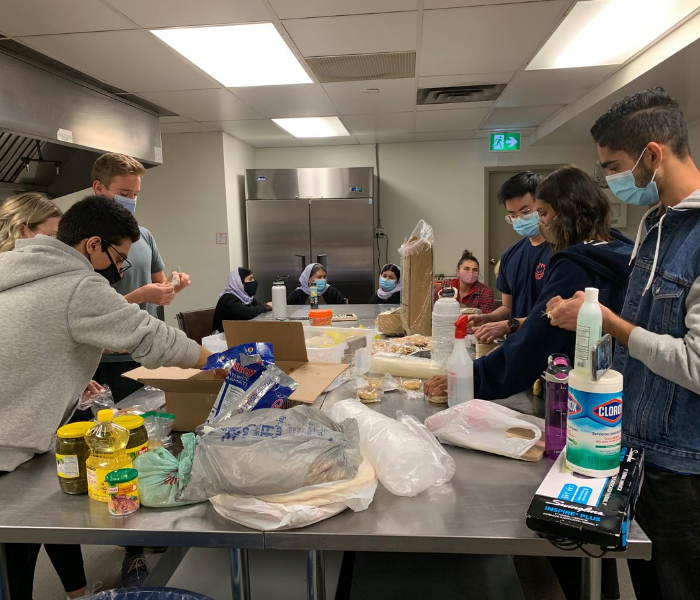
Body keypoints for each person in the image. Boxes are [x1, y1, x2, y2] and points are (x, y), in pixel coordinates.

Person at [0, 195, 212, 600]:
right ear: (92, 245)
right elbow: (156, 339)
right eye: (120, 257)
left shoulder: (15, 269)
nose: (121, 268)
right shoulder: (77, 283)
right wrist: (220, 362)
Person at [546, 88, 700, 600]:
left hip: (682, 468)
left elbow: (695, 364)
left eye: (614, 166)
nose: (612, 182)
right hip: (633, 445)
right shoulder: (654, 226)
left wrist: (611, 324)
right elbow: (642, 329)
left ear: (652, 155)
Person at [424, 166, 633, 402]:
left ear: (567, 211)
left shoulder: (575, 263)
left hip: (578, 394)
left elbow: (536, 339)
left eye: (542, 213)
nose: (542, 222)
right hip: (616, 390)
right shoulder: (622, 250)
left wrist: (472, 377)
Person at [91, 153, 192, 403]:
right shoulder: (86, 242)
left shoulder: (143, 236)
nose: (131, 201)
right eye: (124, 193)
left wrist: (173, 287)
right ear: (99, 188)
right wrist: (141, 295)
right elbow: (92, 311)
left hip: (145, 352)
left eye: (135, 194)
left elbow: (159, 288)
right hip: (105, 359)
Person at [471, 172, 550, 343]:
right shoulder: (510, 256)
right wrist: (487, 319)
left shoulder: (561, 252)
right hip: (518, 345)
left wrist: (508, 325)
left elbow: (555, 315)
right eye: (513, 215)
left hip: (551, 349)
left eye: (525, 211)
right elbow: (508, 307)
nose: (519, 219)